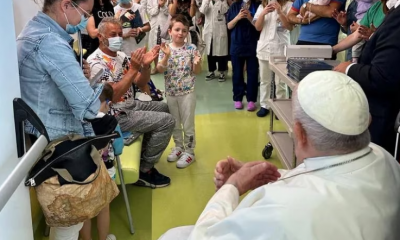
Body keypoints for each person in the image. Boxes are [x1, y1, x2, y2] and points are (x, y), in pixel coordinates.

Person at [158, 71, 400, 240]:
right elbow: (328, 178)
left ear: (300, 133)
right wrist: (275, 176)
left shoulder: (282, 210)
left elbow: (206, 236)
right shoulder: (385, 159)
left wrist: (231, 187)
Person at [17, 0, 109, 239]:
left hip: (45, 134)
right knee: (69, 222)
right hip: (57, 142)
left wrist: (78, 74)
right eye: (85, 14)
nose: (85, 21)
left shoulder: (34, 31)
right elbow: (88, 107)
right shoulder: (50, 43)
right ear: (66, 5)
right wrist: (102, 88)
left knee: (66, 220)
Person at [87, 17, 175, 187]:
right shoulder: (96, 63)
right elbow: (110, 97)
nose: (118, 38)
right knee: (167, 121)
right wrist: (134, 68)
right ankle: (145, 170)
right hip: (114, 114)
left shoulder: (120, 56)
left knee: (164, 107)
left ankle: (145, 152)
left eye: (120, 34)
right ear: (100, 36)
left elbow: (140, 82)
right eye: (113, 34)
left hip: (129, 105)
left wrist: (145, 66)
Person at [333, 0, 400, 156]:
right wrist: (333, 50)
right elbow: (358, 34)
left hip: (384, 115)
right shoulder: (385, 9)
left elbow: (383, 76)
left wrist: (349, 68)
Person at [156, 15, 202, 168]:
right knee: (175, 123)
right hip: (171, 92)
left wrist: (197, 63)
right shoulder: (165, 49)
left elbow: (197, 71)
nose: (180, 33)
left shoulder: (191, 49)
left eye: (184, 31)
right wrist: (166, 57)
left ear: (187, 33)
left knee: (188, 124)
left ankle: (189, 151)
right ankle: (178, 147)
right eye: (177, 30)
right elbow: (159, 69)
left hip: (187, 92)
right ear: (170, 31)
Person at [80, 83, 117, 240]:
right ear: (108, 103)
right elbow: (119, 147)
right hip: (105, 172)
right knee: (104, 208)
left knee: (85, 211)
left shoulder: (79, 119)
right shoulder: (110, 121)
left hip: (82, 173)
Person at [253, 0, 292, 117]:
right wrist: (263, 13)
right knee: (265, 80)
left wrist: (280, 12)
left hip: (280, 48)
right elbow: (257, 27)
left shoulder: (289, 6)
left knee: (280, 81)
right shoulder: (262, 6)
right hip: (264, 47)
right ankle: (265, 105)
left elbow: (289, 27)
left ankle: (281, 107)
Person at [227, 0, 261, 111]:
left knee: (253, 73)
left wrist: (250, 17)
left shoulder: (257, 6)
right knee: (237, 73)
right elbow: (229, 26)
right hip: (237, 44)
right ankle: (238, 98)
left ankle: (251, 100)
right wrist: (238, 17)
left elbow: (259, 27)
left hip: (252, 44)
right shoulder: (234, 6)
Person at [199, 0, 229, 82]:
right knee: (210, 51)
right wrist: (207, 2)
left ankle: (222, 72)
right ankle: (211, 71)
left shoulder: (223, 1)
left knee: (221, 51)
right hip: (209, 29)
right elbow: (202, 11)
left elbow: (224, 10)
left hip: (219, 29)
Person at [147, 0, 169, 74]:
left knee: (165, 46)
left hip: (165, 23)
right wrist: (158, 5)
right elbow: (150, 11)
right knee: (155, 46)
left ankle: (164, 66)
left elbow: (170, 12)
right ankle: (156, 67)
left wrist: (163, 6)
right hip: (154, 24)